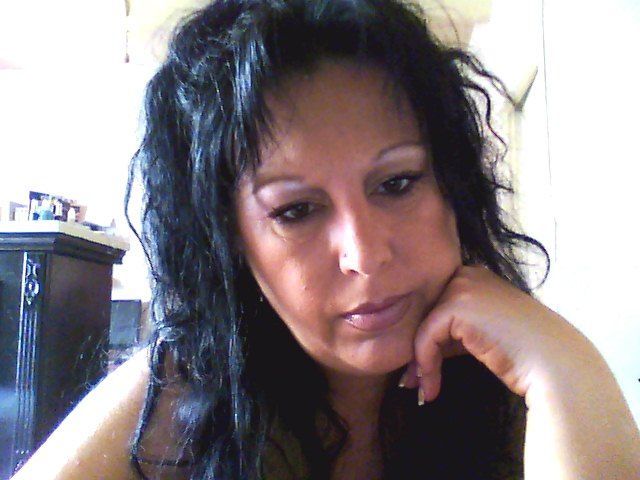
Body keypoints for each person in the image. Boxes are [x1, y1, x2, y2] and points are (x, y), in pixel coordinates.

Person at [12, 0, 640, 479]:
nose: (365, 255)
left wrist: (565, 369)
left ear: (455, 186)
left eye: (397, 183)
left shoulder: (521, 390)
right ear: (231, 243)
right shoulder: (181, 401)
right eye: (296, 211)